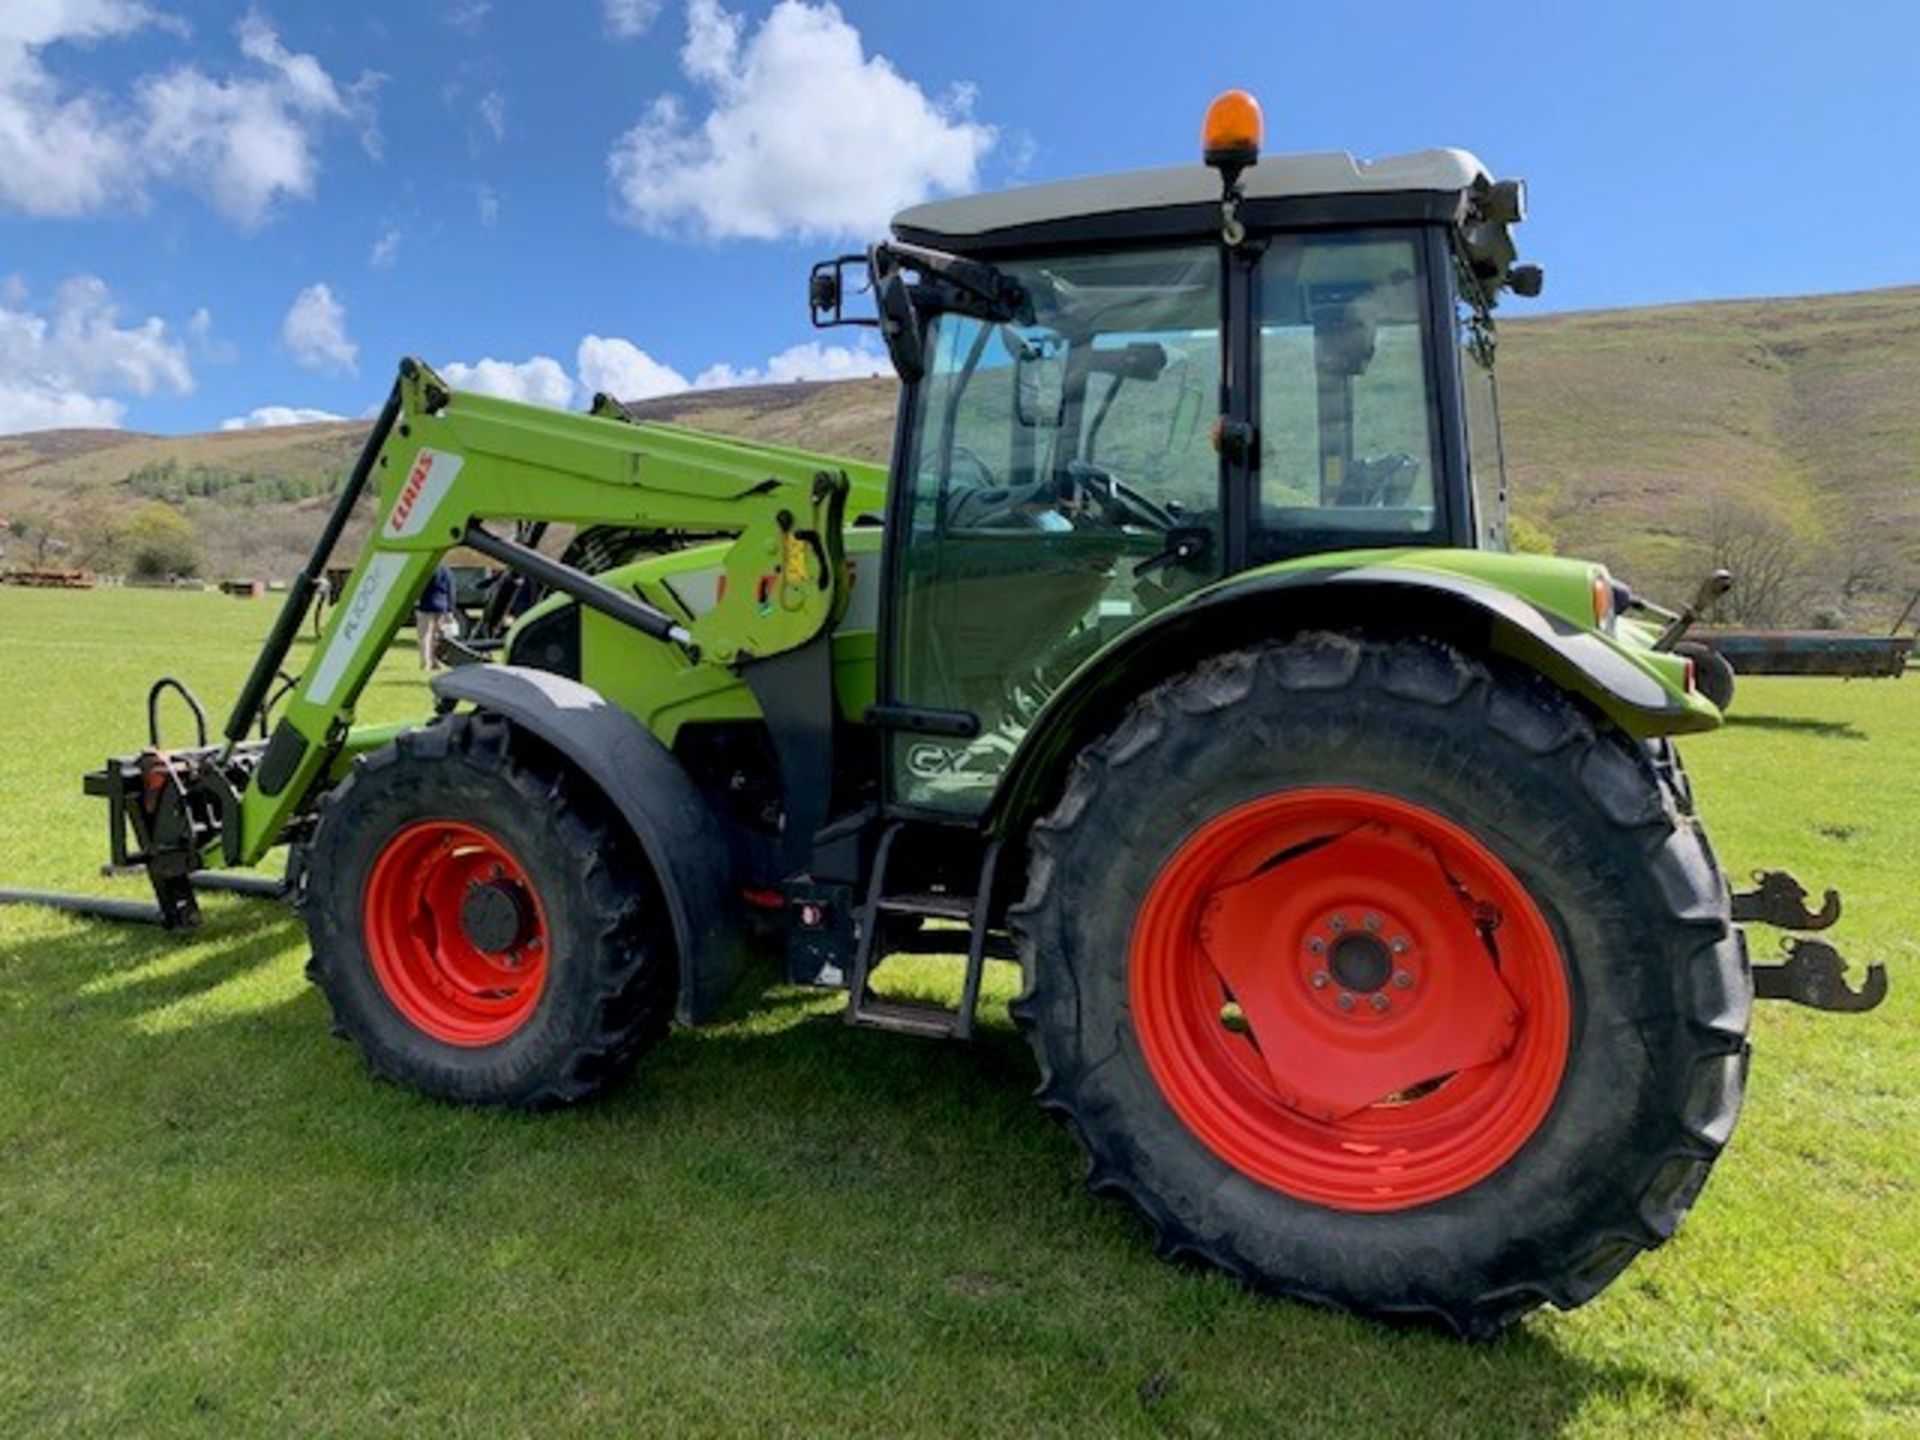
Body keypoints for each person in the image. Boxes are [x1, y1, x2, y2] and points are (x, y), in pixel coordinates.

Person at [416, 562, 455, 670]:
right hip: (442, 606)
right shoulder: (447, 570)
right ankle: (436, 662)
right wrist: (450, 610)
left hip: (427, 605)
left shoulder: (427, 568)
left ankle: (425, 663)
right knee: (437, 636)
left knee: (424, 635)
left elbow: (421, 587)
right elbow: (451, 590)